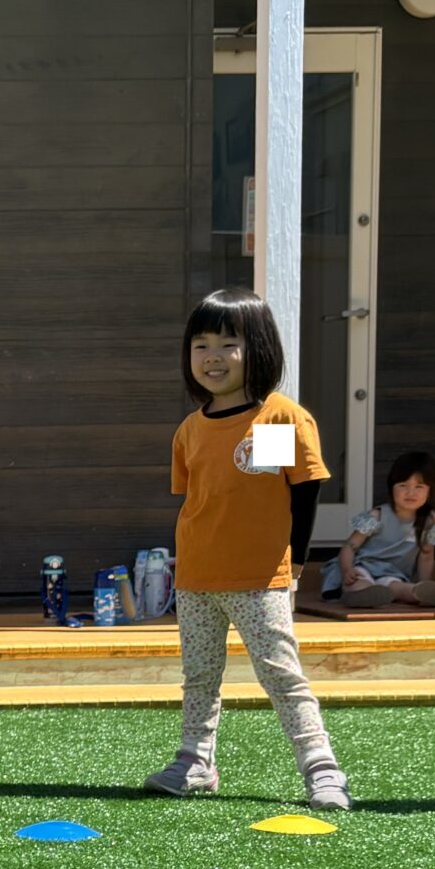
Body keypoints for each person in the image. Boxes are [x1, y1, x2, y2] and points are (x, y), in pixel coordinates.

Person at [145, 289, 352, 810]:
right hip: (195, 578)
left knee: (282, 676)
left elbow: (303, 492)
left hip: (261, 578)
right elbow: (197, 501)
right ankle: (195, 762)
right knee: (199, 678)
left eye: (228, 343)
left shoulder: (279, 419)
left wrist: (296, 563)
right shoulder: (190, 429)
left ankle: (322, 769)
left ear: (257, 348)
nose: (212, 357)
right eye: (201, 345)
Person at [321, 450, 435, 607]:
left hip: (393, 574)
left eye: (419, 486)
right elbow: (350, 546)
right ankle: (359, 596)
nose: (410, 492)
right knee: (359, 583)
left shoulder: (430, 521)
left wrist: (425, 581)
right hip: (363, 567)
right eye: (403, 485)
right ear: (392, 488)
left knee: (398, 588)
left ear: (430, 490)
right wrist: (347, 569)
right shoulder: (378, 515)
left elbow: (426, 555)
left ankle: (422, 593)